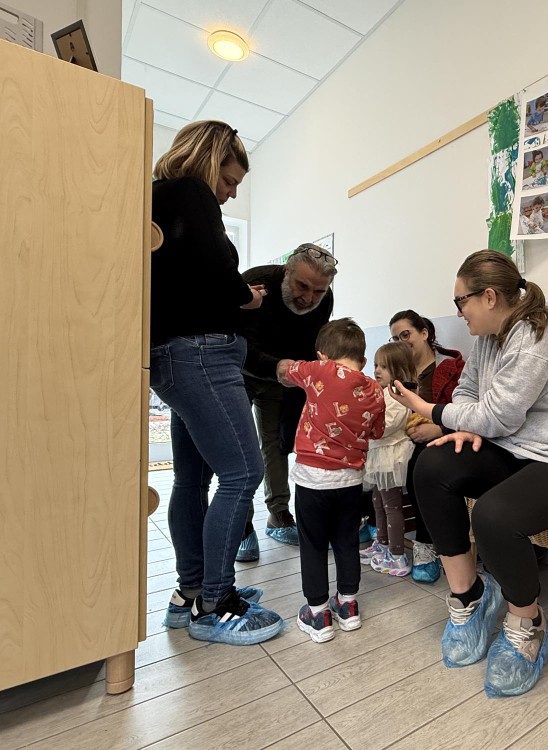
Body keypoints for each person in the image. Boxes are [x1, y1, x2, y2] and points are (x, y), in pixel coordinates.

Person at [390, 250, 548, 697]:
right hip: (516, 446)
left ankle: (528, 622)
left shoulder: (539, 334)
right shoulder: (490, 339)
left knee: (494, 515)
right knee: (430, 465)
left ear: (489, 296)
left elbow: (499, 415)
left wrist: (430, 409)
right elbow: (469, 392)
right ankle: (469, 597)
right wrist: (462, 425)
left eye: (461, 302)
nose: (459, 313)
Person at [149, 119, 284, 646]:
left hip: (174, 356)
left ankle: (190, 592)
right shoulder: (190, 191)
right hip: (201, 355)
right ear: (209, 160)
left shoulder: (159, 197)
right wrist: (246, 297)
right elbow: (213, 268)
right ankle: (215, 603)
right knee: (243, 472)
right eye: (229, 181)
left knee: (192, 479)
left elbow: (190, 272)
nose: (229, 194)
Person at [277, 319, 386, 643]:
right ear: (362, 361)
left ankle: (318, 613)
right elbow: (377, 431)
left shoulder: (319, 371)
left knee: (312, 544)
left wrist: (287, 369)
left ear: (323, 356)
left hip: (312, 480)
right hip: (350, 482)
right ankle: (348, 606)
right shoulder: (374, 389)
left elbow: (287, 370)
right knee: (346, 541)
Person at [235, 244, 337, 556]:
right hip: (240, 372)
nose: (308, 298)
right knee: (240, 449)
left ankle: (278, 515)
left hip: (282, 379)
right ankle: (241, 524)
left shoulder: (324, 301)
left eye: (318, 291)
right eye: (301, 286)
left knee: (276, 445)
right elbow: (237, 343)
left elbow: (311, 344)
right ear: (286, 272)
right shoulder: (254, 282)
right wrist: (277, 367)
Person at [388, 311, 464, 583]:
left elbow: (465, 411)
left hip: (442, 438)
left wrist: (440, 429)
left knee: (419, 461)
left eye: (405, 334)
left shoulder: (450, 368)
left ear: (424, 333)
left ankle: (425, 544)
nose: (401, 342)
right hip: (405, 436)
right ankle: (376, 529)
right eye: (395, 338)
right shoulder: (399, 372)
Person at [360, 341, 417, 577]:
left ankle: (397, 555)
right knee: (378, 502)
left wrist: (366, 422)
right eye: (376, 365)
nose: (377, 370)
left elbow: (388, 424)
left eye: (383, 366)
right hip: (379, 453)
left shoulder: (400, 395)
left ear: (399, 369)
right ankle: (382, 544)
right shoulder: (382, 392)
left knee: (391, 506)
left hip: (391, 454)